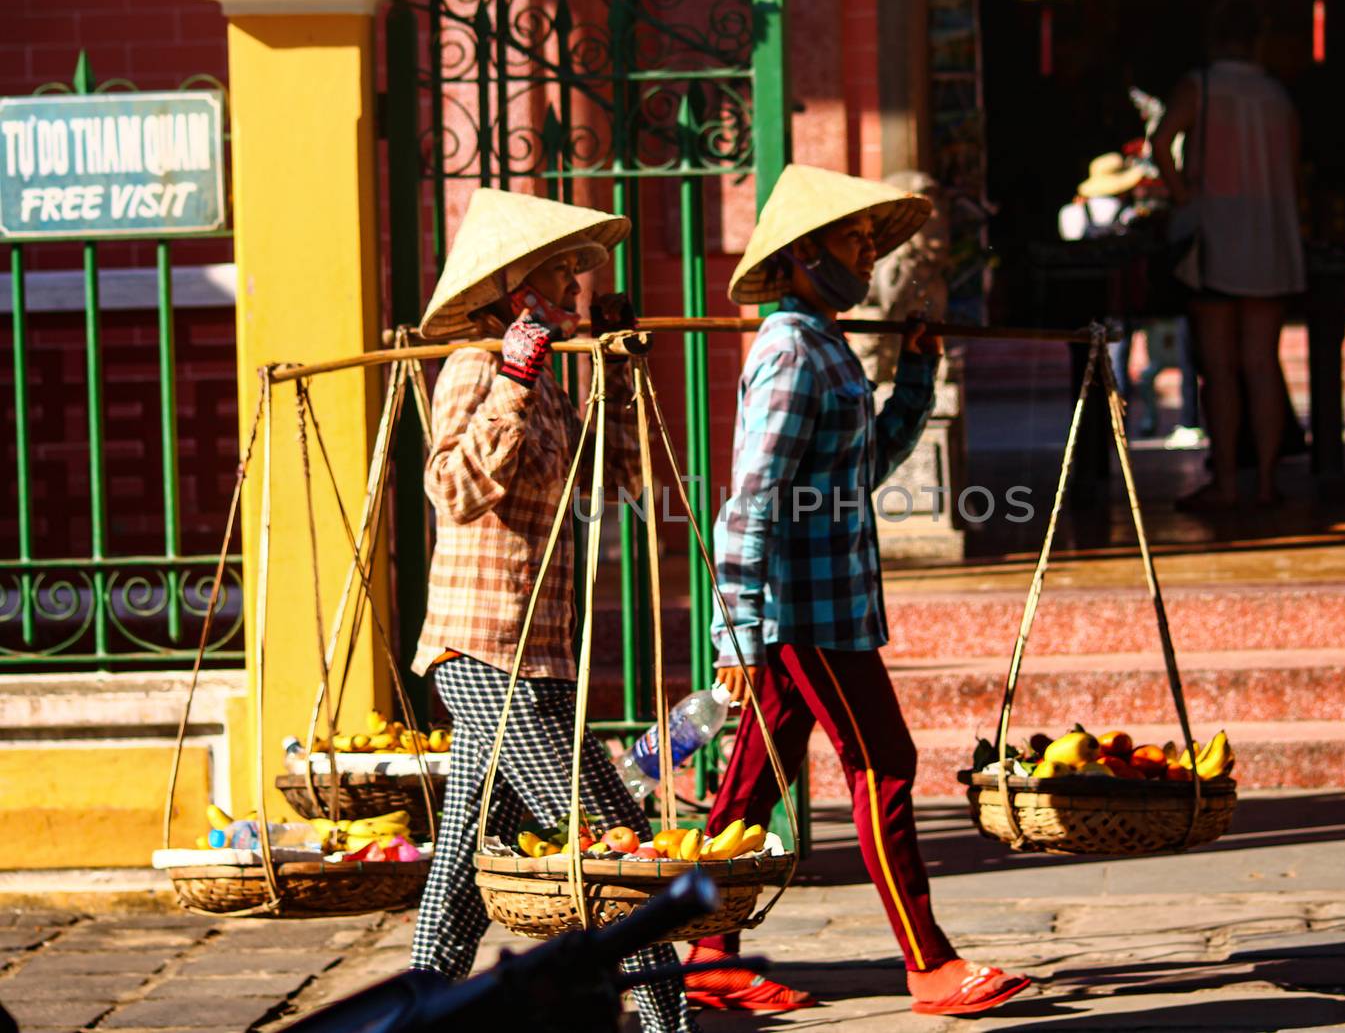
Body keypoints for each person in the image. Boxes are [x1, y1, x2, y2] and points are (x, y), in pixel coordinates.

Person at [681, 164, 1031, 1017]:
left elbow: (860, 466)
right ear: (802, 254)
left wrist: (914, 378)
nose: (866, 257)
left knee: (752, 786)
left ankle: (704, 950)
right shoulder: (791, 351)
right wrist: (738, 633)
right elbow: (751, 500)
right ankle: (929, 964)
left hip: (832, 602)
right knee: (883, 764)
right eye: (850, 241)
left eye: (870, 243)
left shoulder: (826, 340)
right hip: (806, 614)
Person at [406, 188, 698, 1033]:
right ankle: (664, 1023)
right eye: (560, 270)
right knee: (611, 835)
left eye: (577, 272)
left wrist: (621, 370)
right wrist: (510, 380)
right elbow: (451, 488)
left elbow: (630, 479)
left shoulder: (557, 389)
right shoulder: (474, 368)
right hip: (486, 653)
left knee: (463, 861)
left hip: (537, 656)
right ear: (514, 289)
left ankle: (417, 1009)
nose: (575, 286)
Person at [1152, 0, 1306, 509]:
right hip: (1270, 237)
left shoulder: (1203, 86)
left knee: (1218, 369)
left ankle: (1226, 484)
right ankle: (1264, 481)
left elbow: (1160, 141)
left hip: (1216, 236)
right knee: (1262, 362)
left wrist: (1181, 194)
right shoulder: (1276, 95)